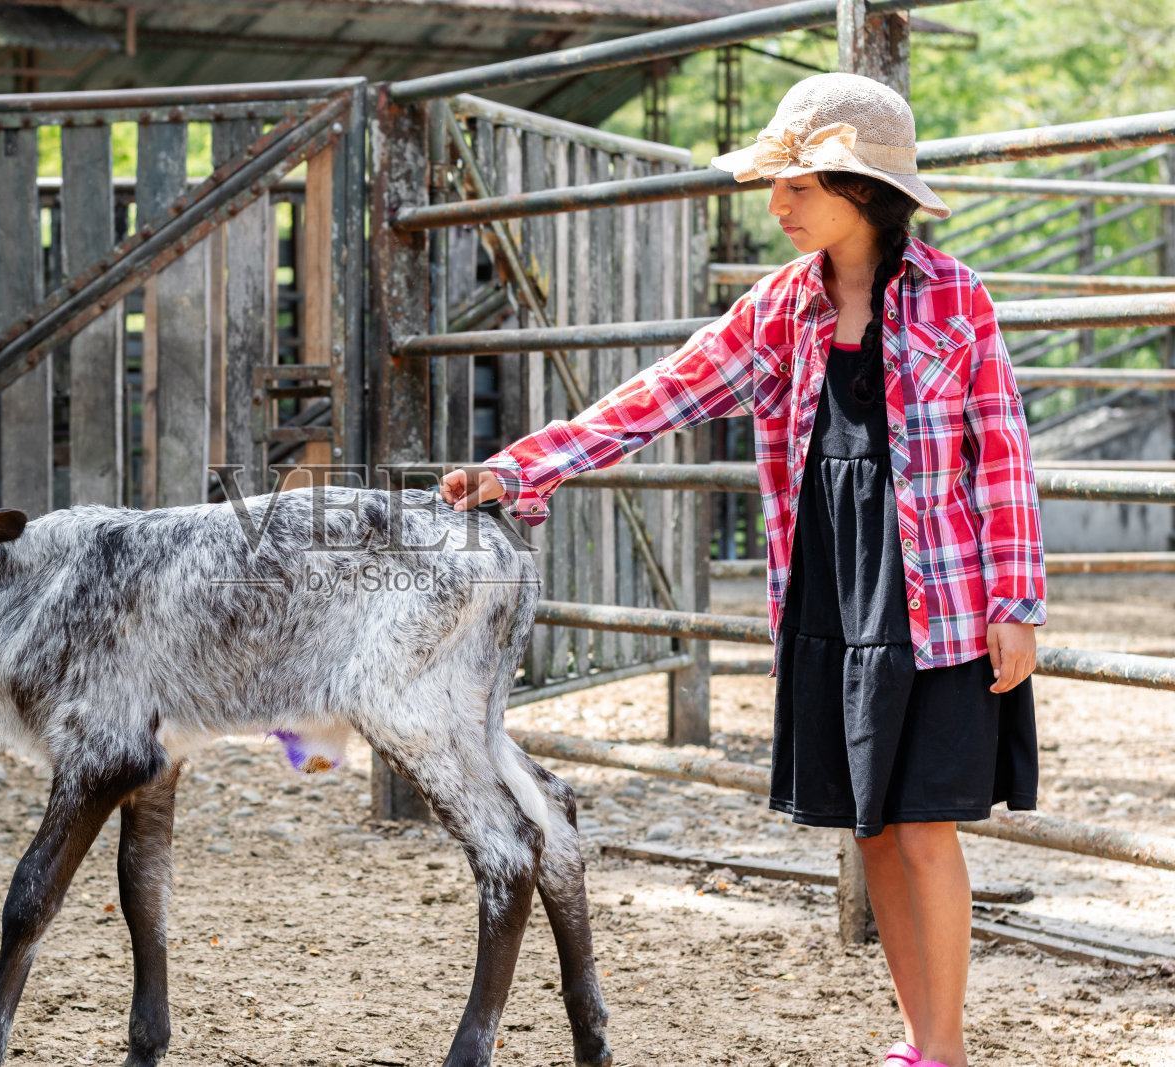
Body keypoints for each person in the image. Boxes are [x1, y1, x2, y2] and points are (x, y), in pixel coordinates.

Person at [440, 72, 1044, 1067]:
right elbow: (659, 394)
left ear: (856, 189)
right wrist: (520, 464)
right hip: (829, 590)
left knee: (925, 824)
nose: (775, 206)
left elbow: (1002, 451)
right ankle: (918, 1041)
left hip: (936, 593)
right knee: (874, 829)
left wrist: (1016, 601)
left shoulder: (955, 297)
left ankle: (945, 1047)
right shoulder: (777, 309)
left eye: (794, 187)